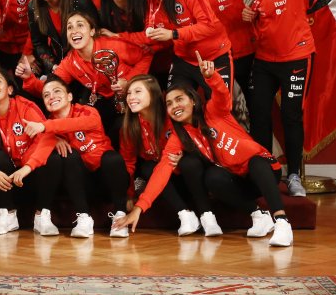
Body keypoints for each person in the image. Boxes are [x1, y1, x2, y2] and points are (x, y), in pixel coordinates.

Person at [114, 53, 292, 247]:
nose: (175, 106)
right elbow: (163, 169)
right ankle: (258, 216)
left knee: (255, 161)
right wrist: (139, 208)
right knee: (212, 178)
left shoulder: (214, 111)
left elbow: (222, 95)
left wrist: (211, 77)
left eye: (179, 99)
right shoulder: (179, 136)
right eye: (170, 103)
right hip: (238, 181)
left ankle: (282, 222)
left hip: (263, 172)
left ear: (192, 100)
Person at [243, 0, 331, 198]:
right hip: (264, 59)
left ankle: (294, 175)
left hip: (295, 57)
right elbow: (267, 9)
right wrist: (252, 15)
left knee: (290, 116)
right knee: (258, 116)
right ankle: (265, 172)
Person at [19, 11, 151, 147]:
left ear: (92, 31)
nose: (74, 31)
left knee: (124, 128)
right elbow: (50, 88)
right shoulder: (70, 61)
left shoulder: (113, 45)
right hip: (103, 100)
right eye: (69, 27)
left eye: (80, 25)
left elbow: (146, 54)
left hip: (130, 97)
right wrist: (29, 78)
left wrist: (130, 82)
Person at [117, 74, 221, 236]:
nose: (131, 97)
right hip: (163, 182)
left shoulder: (172, 115)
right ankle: (186, 215)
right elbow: (128, 162)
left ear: (153, 94)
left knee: (189, 162)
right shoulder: (129, 126)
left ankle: (207, 216)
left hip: (187, 176)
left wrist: (186, 152)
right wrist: (129, 194)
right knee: (148, 167)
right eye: (129, 93)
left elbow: (198, 139)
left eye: (138, 92)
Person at [32, 76, 130, 238]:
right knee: (69, 157)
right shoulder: (49, 128)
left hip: (106, 178)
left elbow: (74, 124)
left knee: (112, 158)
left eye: (57, 91)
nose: (52, 97)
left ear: (69, 96)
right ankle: (83, 217)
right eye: (46, 95)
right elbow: (36, 143)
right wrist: (52, 138)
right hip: (82, 184)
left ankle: (120, 215)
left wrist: (46, 128)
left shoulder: (88, 111)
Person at [172, 0, 255, 105]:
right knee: (218, 104)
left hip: (242, 49)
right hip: (212, 55)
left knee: (257, 106)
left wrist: (257, 7)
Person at [134, 0, 232, 94]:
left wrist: (173, 34)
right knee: (174, 106)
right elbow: (152, 23)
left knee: (218, 110)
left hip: (213, 57)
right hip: (183, 59)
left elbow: (209, 25)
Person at [0, 68, 61, 235]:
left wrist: (27, 167)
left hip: (30, 175)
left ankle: (42, 215)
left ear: (10, 89)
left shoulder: (25, 106)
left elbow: (46, 138)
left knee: (53, 158)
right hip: (4, 181)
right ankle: (7, 214)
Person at [24, 0, 98, 76]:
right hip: (60, 62)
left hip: (87, 59)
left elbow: (96, 31)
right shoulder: (33, 7)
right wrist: (53, 66)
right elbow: (39, 44)